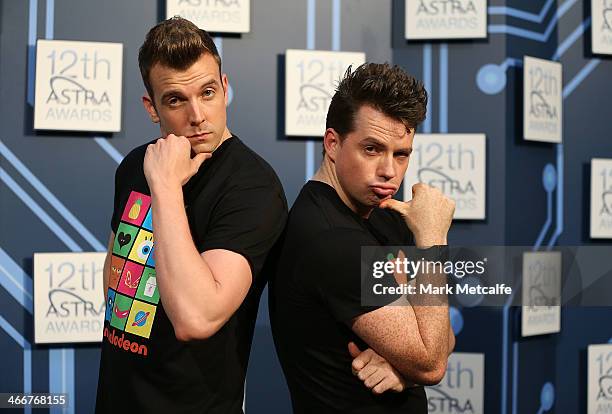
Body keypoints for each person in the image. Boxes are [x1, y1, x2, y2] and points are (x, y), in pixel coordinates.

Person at [95, 17, 287, 413]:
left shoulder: (252, 185)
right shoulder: (136, 164)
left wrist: (164, 187)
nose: (197, 115)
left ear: (225, 87)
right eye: (176, 100)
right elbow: (115, 284)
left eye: (208, 92)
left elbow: (196, 319)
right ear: (152, 108)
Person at [269, 63, 455, 413]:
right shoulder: (331, 238)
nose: (389, 170)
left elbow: (441, 336)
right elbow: (433, 361)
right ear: (333, 144)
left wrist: (405, 370)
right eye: (372, 149)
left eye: (401, 154)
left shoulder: (384, 214)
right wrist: (432, 240)